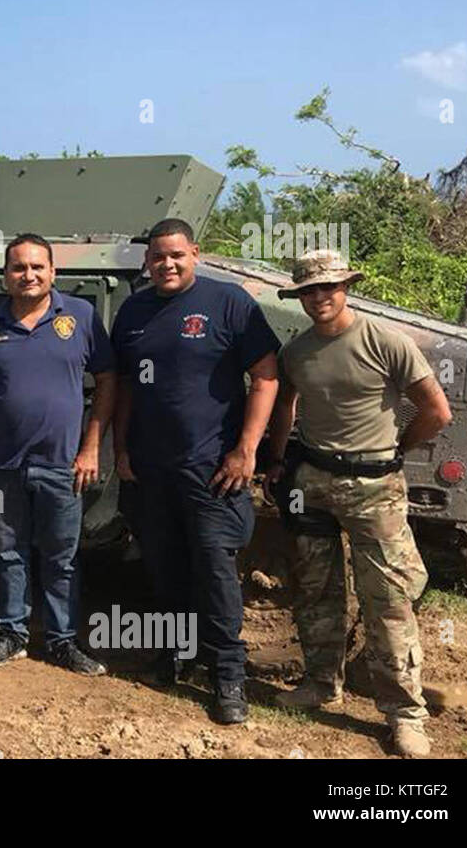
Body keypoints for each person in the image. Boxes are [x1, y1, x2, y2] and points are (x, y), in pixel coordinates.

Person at [265, 249, 451, 758]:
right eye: (308, 290)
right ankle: (321, 682)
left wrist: (393, 452)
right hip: (314, 480)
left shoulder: (385, 341)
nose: (319, 297)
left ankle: (405, 713)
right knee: (314, 588)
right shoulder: (297, 351)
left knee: (388, 601)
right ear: (299, 297)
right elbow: (285, 406)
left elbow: (437, 410)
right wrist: (277, 461)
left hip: (376, 487)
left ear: (346, 287)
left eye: (327, 287)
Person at [110, 218, 280, 724]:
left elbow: (266, 375)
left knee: (215, 573)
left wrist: (247, 449)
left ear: (195, 254)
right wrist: (120, 450)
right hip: (149, 469)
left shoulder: (228, 303)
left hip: (212, 470)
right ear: (146, 261)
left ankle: (228, 675)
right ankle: (172, 657)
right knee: (163, 568)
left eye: (176, 255)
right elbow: (122, 387)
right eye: (158, 256)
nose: (167, 264)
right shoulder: (134, 311)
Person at [0, 234, 115, 675]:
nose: (27, 275)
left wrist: (90, 447)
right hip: (5, 464)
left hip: (64, 465)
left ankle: (62, 641)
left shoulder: (81, 316)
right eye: (18, 268)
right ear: (5, 275)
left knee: (60, 557)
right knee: (8, 552)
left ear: (53, 272)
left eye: (36, 267)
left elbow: (106, 379)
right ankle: (11, 634)